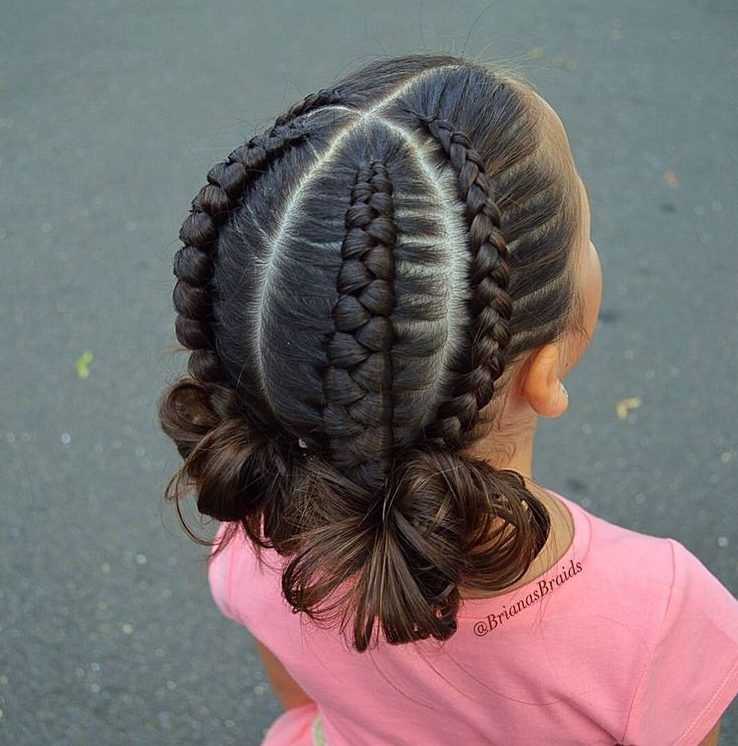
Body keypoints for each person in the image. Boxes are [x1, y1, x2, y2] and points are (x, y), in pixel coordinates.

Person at [157, 53, 738, 745]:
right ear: (543, 370)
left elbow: (304, 705)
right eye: (584, 235)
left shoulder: (253, 531)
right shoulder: (661, 611)